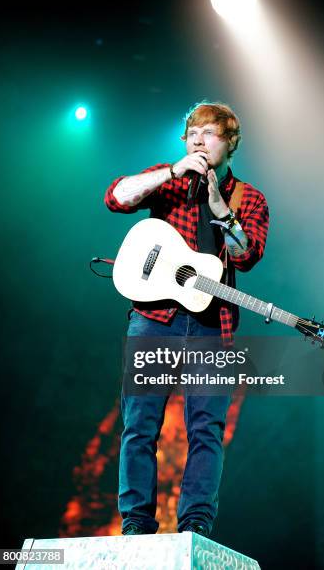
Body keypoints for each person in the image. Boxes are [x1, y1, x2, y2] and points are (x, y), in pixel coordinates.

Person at [104, 101, 269, 537]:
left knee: (206, 431)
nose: (197, 140)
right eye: (192, 133)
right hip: (155, 319)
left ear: (230, 143)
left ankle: (195, 525)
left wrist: (219, 206)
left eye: (208, 133)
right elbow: (116, 197)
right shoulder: (168, 178)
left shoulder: (248, 197)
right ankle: (137, 524)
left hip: (215, 327)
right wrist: (172, 172)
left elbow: (247, 255)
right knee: (139, 426)